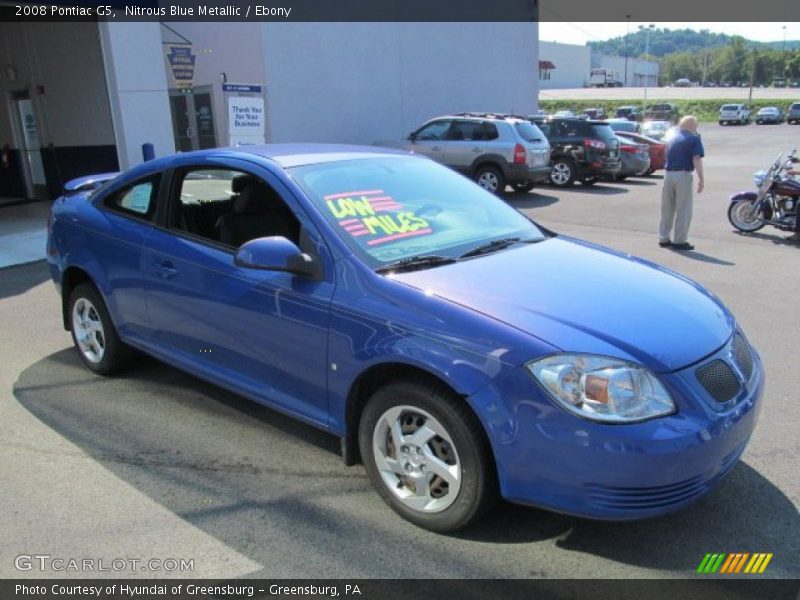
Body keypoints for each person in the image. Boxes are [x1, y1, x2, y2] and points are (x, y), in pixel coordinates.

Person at [659, 115, 704, 251]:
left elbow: (665, 155)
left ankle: (664, 237)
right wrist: (701, 178)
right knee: (683, 208)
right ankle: (679, 240)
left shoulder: (672, 138)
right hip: (683, 174)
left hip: (668, 175)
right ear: (691, 126)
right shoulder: (693, 139)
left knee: (667, 208)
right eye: (695, 125)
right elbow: (696, 158)